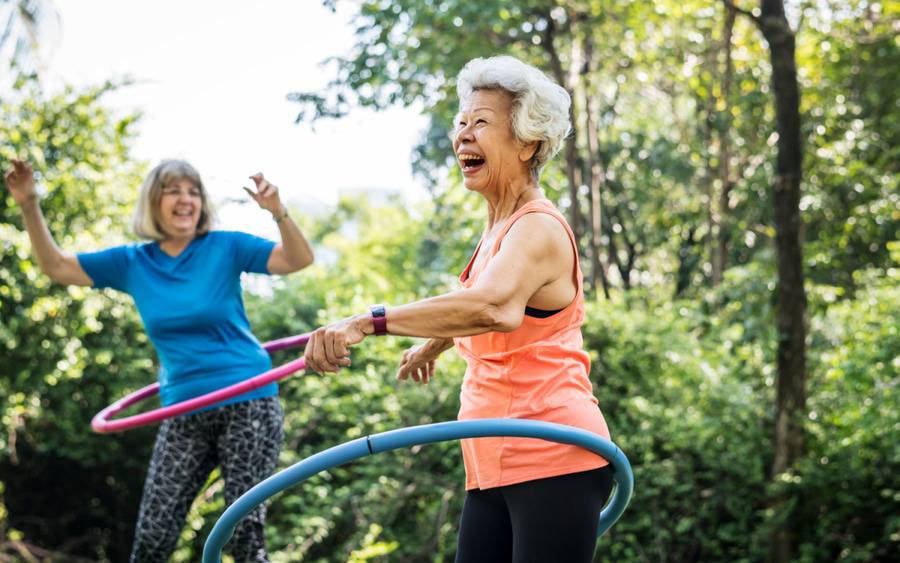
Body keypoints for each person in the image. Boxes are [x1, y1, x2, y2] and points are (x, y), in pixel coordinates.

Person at [303, 55, 613, 563]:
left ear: (529, 142)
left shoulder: (537, 227)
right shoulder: (497, 231)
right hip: (490, 458)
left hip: (553, 453)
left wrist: (367, 322)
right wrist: (436, 342)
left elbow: (493, 306)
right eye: (461, 123)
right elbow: (480, 302)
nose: (464, 135)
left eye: (482, 123)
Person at [3, 158, 314, 562]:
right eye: (174, 190)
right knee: (152, 539)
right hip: (183, 411)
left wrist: (278, 213)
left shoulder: (226, 246)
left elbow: (298, 259)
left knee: (244, 539)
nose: (186, 200)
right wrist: (29, 204)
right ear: (154, 201)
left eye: (193, 191)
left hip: (249, 403)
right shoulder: (133, 263)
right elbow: (57, 266)